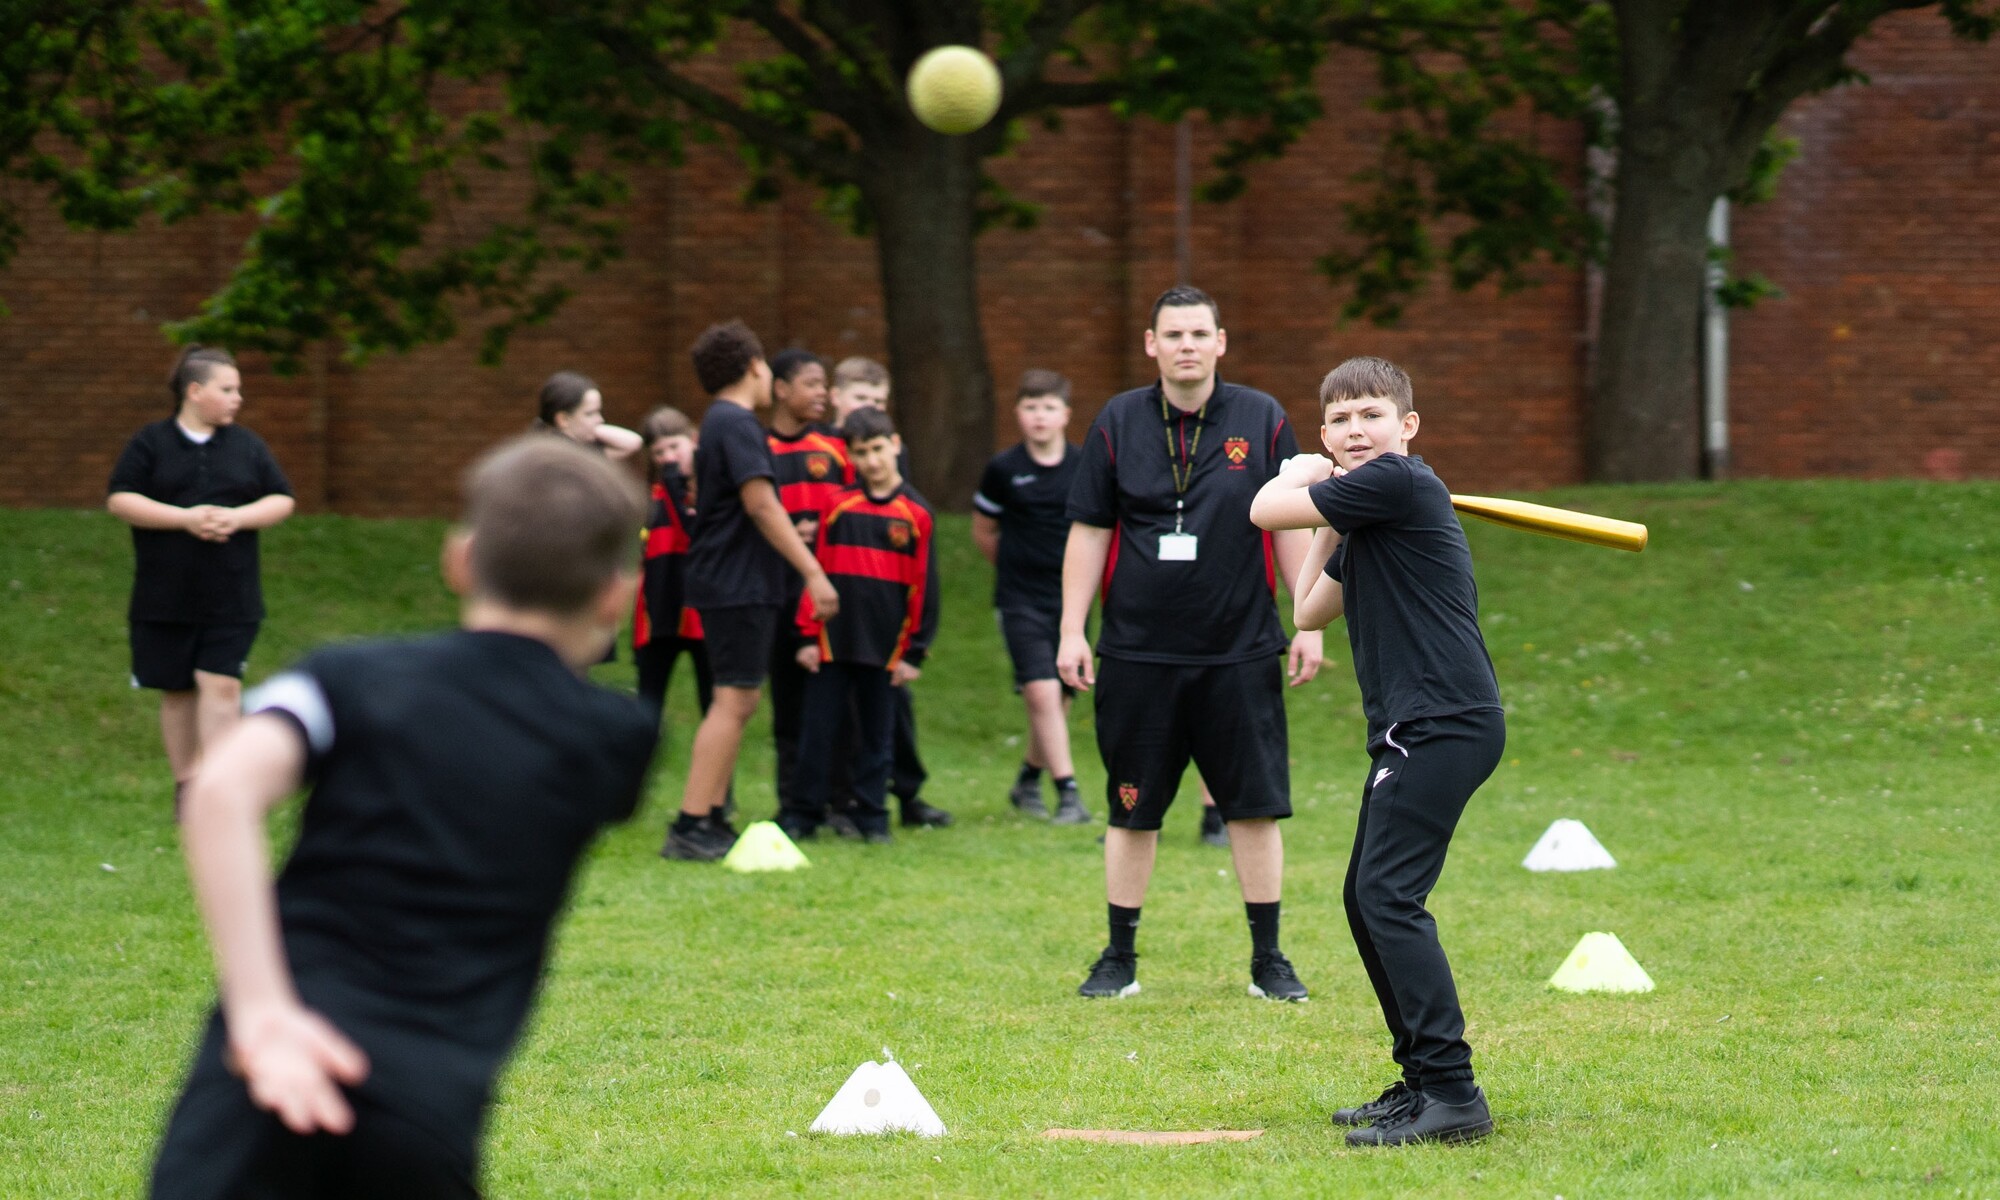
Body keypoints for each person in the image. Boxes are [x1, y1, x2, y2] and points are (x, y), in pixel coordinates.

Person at [149, 436, 659, 1198]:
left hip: (257, 1079)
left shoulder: (350, 679)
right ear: (615, 595)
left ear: (460, 560)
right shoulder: (619, 739)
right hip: (420, 1111)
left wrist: (260, 1013)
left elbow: (219, 789)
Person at [1248, 355, 1503, 1147]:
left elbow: (1261, 511)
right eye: (1342, 420)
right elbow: (1311, 607)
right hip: (1416, 726)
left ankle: (1454, 1094)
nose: (1357, 430)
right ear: (1330, 429)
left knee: (1389, 899)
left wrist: (1296, 474)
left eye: (1372, 416)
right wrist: (1328, 516)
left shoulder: (1399, 484)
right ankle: (1423, 1081)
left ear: (1407, 427)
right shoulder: (1373, 510)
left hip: (1442, 722)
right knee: (1367, 899)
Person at [1057, 285, 1324, 1003]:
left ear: (1220, 342)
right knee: (1131, 805)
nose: (1185, 346)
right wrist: (1071, 629)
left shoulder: (1262, 418)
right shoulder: (1117, 420)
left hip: (1238, 651)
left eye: (1198, 334)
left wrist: (1306, 619)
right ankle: (1118, 957)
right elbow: (1089, 529)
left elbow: (1293, 519)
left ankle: (1269, 961)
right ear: (1152, 344)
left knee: (1254, 807)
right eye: (1172, 334)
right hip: (1138, 653)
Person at [663, 321, 838, 862]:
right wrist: (813, 571)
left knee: (736, 698)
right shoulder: (736, 423)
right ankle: (692, 824)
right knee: (734, 699)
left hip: (731, 580)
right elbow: (762, 504)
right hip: (737, 583)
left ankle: (711, 816)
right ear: (756, 366)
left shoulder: (721, 423)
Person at [108, 346, 295, 818]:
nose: (237, 399)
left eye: (238, 390)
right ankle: (186, 785)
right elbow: (121, 499)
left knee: (222, 684)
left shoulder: (247, 446)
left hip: (232, 593)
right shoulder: (151, 443)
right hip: (164, 594)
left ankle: (220, 786)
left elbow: (281, 499)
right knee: (178, 689)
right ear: (195, 391)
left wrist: (235, 518)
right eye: (227, 389)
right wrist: (183, 519)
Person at [779, 407, 940, 844]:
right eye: (861, 453)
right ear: (848, 456)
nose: (871, 461)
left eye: (877, 449)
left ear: (896, 445)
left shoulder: (917, 514)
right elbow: (817, 574)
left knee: (877, 738)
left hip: (885, 649)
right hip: (832, 644)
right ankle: (803, 813)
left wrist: (914, 650)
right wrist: (806, 635)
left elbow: (925, 587)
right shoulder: (836, 506)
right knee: (817, 732)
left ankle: (873, 817)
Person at [823, 354, 951, 829]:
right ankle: (835, 802)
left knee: (891, 710)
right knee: (830, 714)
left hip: (884, 611)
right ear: (837, 398)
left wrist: (913, 641)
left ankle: (906, 794)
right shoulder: (825, 457)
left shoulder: (892, 464)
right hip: (835, 606)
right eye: (862, 397)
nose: (871, 406)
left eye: (879, 401)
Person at [972, 369, 1090, 825]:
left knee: (1058, 699)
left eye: (1048, 407)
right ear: (1018, 414)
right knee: (1041, 694)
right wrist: (1015, 567)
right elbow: (984, 532)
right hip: (1019, 599)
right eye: (1030, 407)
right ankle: (1069, 794)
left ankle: (1026, 780)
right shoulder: (1003, 469)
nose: (1039, 416)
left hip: (1070, 600)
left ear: (1064, 415)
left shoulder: (1082, 466)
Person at [764, 348, 852, 813]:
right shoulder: (760, 450)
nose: (823, 393)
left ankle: (841, 800)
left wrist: (825, 530)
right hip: (779, 593)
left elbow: (861, 506)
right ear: (781, 388)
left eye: (825, 384)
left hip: (831, 594)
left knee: (836, 702)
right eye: (812, 383)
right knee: (788, 704)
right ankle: (793, 803)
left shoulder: (836, 448)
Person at [632, 406, 712, 717]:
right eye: (658, 452)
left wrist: (681, 492)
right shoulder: (648, 500)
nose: (667, 458)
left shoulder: (709, 493)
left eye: (674, 447)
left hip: (701, 612)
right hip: (657, 612)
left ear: (693, 440)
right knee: (647, 706)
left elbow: (693, 536)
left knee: (713, 703)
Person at [534, 370, 643, 460]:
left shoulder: (585, 450)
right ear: (563, 419)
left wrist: (592, 428)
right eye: (590, 414)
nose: (600, 419)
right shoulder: (547, 457)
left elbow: (633, 443)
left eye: (598, 412)